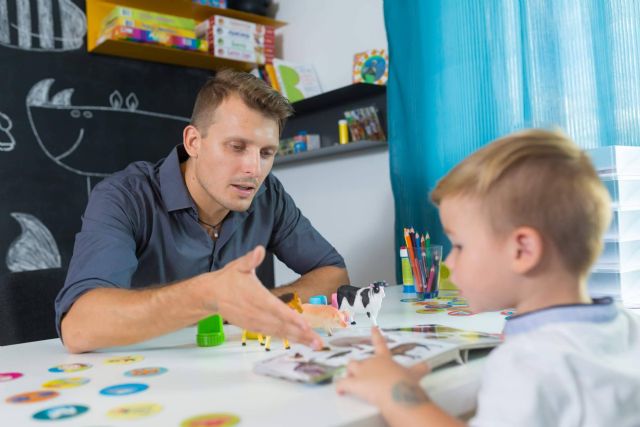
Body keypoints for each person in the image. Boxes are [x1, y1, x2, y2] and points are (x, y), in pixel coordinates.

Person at [336, 129, 640, 426]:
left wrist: (395, 392)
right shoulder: (624, 324)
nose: (450, 261)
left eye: (459, 245)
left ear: (522, 250)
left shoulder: (526, 362)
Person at [56, 69, 350, 353]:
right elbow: (79, 328)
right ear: (193, 142)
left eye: (266, 153)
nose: (254, 169)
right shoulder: (124, 197)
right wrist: (209, 296)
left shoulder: (268, 195)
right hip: (140, 374)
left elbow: (333, 274)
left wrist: (252, 304)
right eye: (237, 147)